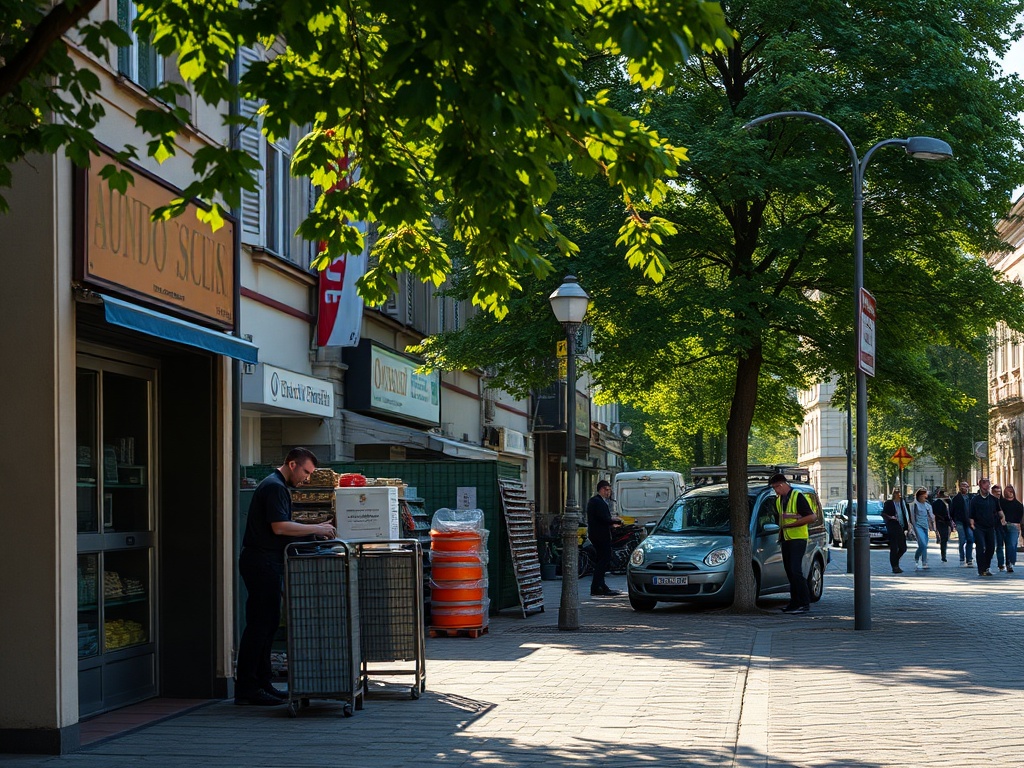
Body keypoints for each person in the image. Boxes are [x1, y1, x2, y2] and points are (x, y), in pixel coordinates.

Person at [235, 448, 336, 706]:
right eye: (306, 472)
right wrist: (318, 528)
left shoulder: (276, 485)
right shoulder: (275, 487)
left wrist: (312, 533)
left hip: (264, 561)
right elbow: (279, 527)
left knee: (266, 625)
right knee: (260, 625)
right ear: (292, 464)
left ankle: (262, 683)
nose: (307, 479)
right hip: (262, 562)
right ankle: (248, 687)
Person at [769, 472, 817, 614]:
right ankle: (794, 603)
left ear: (782, 484)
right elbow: (780, 519)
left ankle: (804, 603)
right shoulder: (779, 500)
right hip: (786, 539)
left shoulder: (797, 496)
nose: (775, 491)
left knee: (796, 570)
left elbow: (812, 517)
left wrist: (793, 523)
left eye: (776, 487)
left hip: (797, 538)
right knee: (790, 571)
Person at [586, 479, 622, 596]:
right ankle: (596, 587)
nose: (608, 493)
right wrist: (615, 521)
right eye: (607, 490)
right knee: (604, 560)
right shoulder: (598, 502)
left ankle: (601, 586)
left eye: (609, 490)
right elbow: (603, 518)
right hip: (600, 536)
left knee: (601, 560)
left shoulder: (595, 501)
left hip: (596, 535)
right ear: (601, 489)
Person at [969, 477, 1003, 577]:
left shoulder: (993, 499)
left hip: (990, 527)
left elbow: (999, 510)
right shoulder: (975, 500)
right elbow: (971, 514)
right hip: (978, 527)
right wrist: (972, 524)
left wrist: (1003, 518)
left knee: (991, 548)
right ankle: (981, 569)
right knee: (981, 547)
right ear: (980, 486)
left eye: (988, 484)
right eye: (985, 484)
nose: (987, 486)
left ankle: (986, 566)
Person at [881, 489, 909, 574]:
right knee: (894, 547)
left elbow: (907, 514)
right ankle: (895, 567)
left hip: (901, 527)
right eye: (897, 493)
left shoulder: (903, 504)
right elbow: (883, 513)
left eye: (900, 493)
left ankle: (895, 561)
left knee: (903, 548)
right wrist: (891, 517)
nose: (899, 495)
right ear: (894, 494)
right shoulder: (889, 503)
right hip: (893, 526)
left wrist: (908, 525)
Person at [949, 480, 974, 568]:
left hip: (969, 522)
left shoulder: (971, 498)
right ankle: (962, 559)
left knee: (970, 539)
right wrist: (954, 521)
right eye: (963, 486)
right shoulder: (956, 499)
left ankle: (969, 559)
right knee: (962, 540)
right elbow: (951, 511)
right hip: (959, 521)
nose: (965, 488)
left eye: (966, 486)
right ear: (960, 488)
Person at [909, 488, 935, 571]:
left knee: (924, 545)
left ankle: (924, 562)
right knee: (923, 544)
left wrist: (933, 526)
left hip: (925, 526)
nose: (926, 497)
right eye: (924, 496)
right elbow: (912, 517)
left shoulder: (928, 505)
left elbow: (931, 517)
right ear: (920, 496)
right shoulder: (914, 505)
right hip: (917, 526)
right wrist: (913, 528)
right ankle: (917, 557)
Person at [1000, 484, 1022, 574]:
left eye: (1011, 491)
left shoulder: (1018, 505)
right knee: (1005, 545)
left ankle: (1010, 562)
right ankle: (1006, 563)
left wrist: (1019, 525)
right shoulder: (1001, 503)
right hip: (1003, 526)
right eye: (1008, 491)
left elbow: (1021, 517)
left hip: (1014, 526)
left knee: (1012, 544)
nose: (1010, 493)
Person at [932, 488, 952, 563]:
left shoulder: (948, 501)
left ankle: (944, 553)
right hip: (940, 521)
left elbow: (951, 510)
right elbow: (934, 513)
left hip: (947, 522)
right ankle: (943, 555)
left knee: (945, 538)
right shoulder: (936, 503)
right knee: (944, 538)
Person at [993, 483, 1007, 571]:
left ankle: (1001, 564)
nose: (998, 494)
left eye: (999, 492)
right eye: (996, 492)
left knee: (1000, 545)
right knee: (989, 546)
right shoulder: (990, 501)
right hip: (990, 526)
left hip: (999, 526)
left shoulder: (1003, 502)